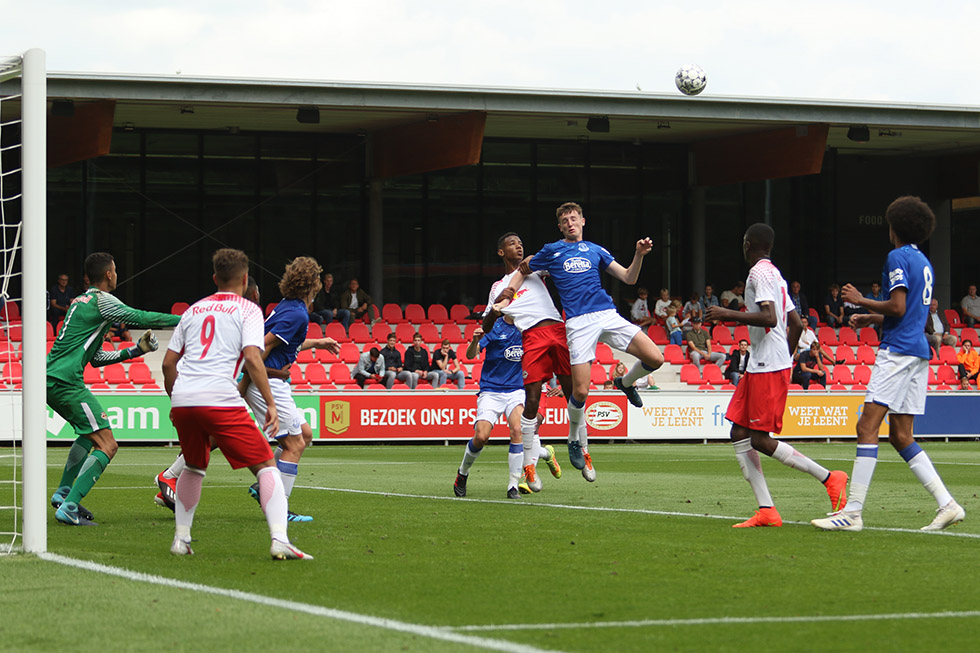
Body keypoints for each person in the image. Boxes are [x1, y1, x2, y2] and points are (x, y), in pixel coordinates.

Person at [812, 196, 965, 532]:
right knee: (900, 434)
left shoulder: (896, 256)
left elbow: (897, 307)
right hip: (918, 352)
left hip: (896, 353)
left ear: (893, 226)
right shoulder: (924, 262)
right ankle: (948, 503)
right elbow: (910, 313)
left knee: (866, 427)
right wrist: (871, 316)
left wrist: (859, 300)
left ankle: (852, 512)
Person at [156, 257, 341, 523]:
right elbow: (260, 348)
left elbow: (284, 344)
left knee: (300, 433)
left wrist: (318, 342)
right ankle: (278, 506)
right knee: (294, 442)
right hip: (266, 383)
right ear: (314, 285)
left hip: (264, 380)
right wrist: (247, 383)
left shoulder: (287, 307)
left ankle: (174, 475)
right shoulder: (297, 313)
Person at [495, 204, 665, 482]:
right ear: (560, 227)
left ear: (583, 221)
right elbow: (523, 269)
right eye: (565, 220)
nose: (570, 223)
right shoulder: (551, 250)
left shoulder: (596, 249)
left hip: (607, 314)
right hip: (578, 323)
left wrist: (638, 254)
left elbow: (628, 278)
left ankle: (625, 382)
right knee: (581, 392)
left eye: (574, 218)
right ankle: (574, 439)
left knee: (656, 359)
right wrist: (509, 292)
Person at [705, 224, 848, 528]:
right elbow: (795, 324)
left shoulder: (759, 273)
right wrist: (783, 357)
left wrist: (727, 314)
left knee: (758, 439)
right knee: (739, 433)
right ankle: (767, 509)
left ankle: (830, 478)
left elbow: (770, 318)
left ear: (747, 244)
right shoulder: (776, 275)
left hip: (767, 366)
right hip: (764, 364)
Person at [46, 253, 180, 526]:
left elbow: (96, 358)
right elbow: (139, 316)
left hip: (52, 379)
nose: (117, 274)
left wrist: (136, 350)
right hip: (66, 381)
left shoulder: (79, 301)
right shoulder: (103, 301)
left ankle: (63, 493)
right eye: (115, 270)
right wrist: (185, 319)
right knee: (108, 444)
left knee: (89, 436)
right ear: (108, 274)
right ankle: (69, 506)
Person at [481, 232, 571, 486]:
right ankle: (535, 464)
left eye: (521, 243)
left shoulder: (533, 270)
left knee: (532, 422)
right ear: (501, 252)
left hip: (548, 340)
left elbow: (554, 266)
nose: (519, 246)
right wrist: (495, 312)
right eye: (512, 243)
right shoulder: (498, 288)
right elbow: (488, 322)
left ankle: (531, 468)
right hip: (529, 349)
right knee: (524, 427)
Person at [454, 319, 534, 499]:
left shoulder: (527, 327)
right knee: (481, 436)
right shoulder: (494, 326)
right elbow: (470, 355)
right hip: (491, 390)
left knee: (517, 429)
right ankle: (463, 472)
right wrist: (475, 340)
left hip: (516, 390)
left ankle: (512, 485)